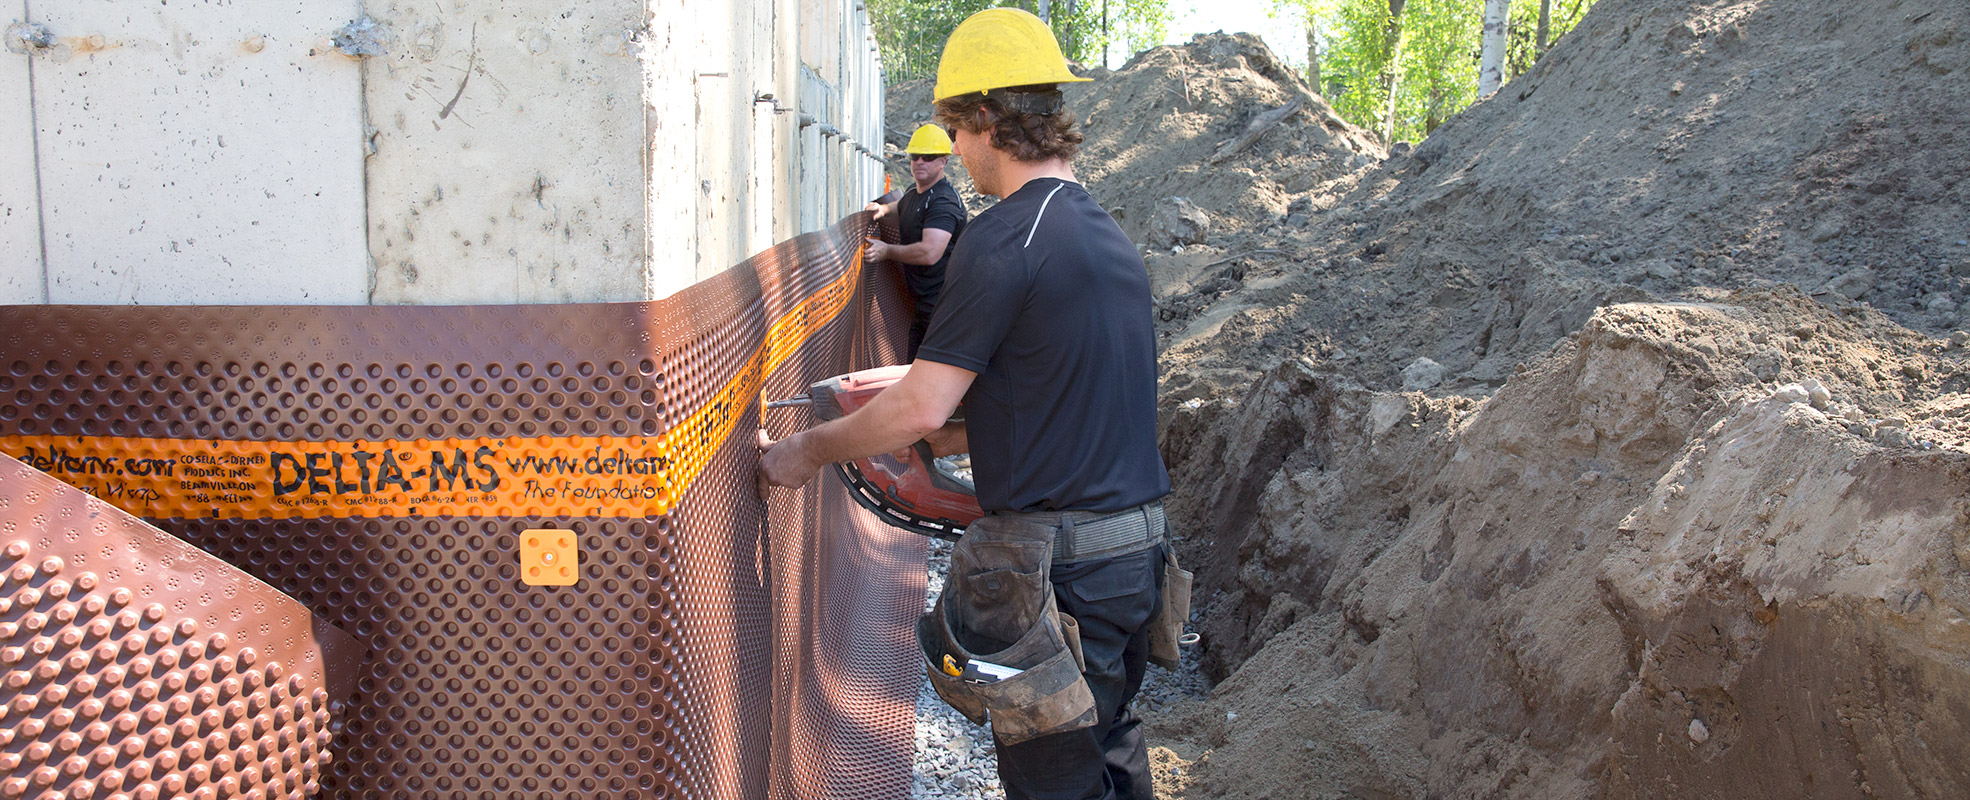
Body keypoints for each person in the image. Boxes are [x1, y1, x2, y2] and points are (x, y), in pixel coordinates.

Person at [759, 8, 1169, 800]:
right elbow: (1054, 394)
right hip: (1136, 558)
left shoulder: (1005, 236)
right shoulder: (1107, 237)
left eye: (956, 130)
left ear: (987, 118)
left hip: (1067, 577)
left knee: (1057, 781)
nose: (955, 153)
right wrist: (957, 431)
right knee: (1111, 754)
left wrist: (808, 449)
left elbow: (919, 407)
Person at [866, 125, 969, 360]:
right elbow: (903, 210)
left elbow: (930, 252)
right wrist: (882, 210)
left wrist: (887, 251)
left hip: (942, 307)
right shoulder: (916, 192)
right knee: (914, 366)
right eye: (916, 156)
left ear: (943, 161)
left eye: (929, 157)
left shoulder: (944, 202)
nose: (920, 162)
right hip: (923, 304)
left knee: (932, 372)